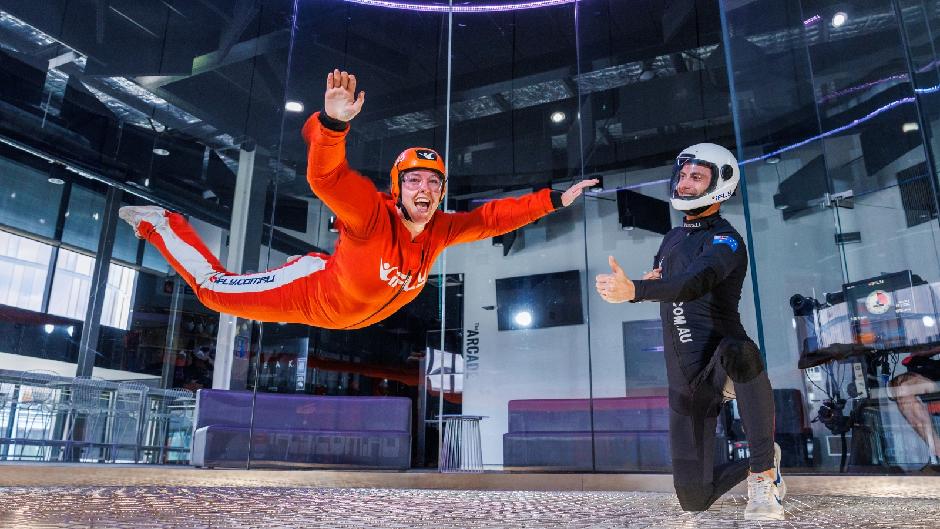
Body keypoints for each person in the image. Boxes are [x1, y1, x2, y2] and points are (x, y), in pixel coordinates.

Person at [119, 69, 596, 330]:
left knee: (220, 295)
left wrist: (552, 200)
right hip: (312, 293)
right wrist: (331, 125)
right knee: (213, 293)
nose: (425, 190)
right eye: (414, 182)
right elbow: (328, 180)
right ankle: (159, 222)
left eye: (433, 183)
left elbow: (492, 219)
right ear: (397, 188)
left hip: (347, 314)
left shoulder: (440, 230)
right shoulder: (371, 216)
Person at [594, 143, 784, 521]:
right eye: (682, 176)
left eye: (696, 177)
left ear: (721, 184)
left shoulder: (726, 240)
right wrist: (644, 286)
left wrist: (637, 290)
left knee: (741, 351)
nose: (684, 183)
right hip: (686, 378)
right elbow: (673, 284)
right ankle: (763, 460)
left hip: (722, 359)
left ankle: (763, 473)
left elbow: (696, 282)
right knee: (694, 499)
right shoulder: (672, 239)